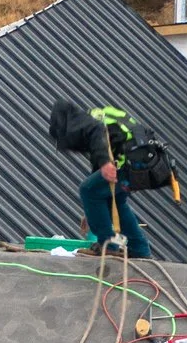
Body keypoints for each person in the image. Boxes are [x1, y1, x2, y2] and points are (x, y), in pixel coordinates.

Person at [48, 100, 152, 257]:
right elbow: (98, 168)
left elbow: (98, 130)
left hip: (130, 160)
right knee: (114, 201)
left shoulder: (80, 124)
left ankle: (107, 244)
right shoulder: (91, 118)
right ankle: (139, 249)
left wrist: (105, 163)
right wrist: (91, 212)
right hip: (142, 160)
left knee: (87, 190)